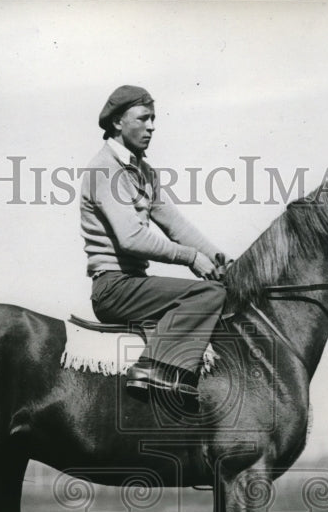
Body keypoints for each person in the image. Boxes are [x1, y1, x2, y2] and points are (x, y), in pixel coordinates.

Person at [80, 85, 227, 399]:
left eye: (154, 118)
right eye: (144, 118)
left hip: (135, 285)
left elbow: (175, 224)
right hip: (114, 288)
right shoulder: (104, 168)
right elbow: (131, 239)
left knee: (219, 287)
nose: (152, 126)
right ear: (118, 122)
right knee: (209, 294)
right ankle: (150, 370)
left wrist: (217, 258)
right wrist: (190, 258)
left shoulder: (143, 171)